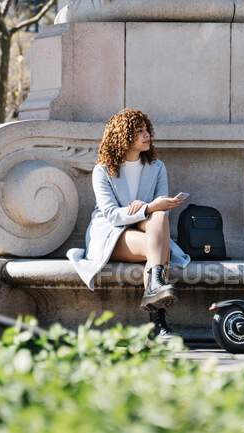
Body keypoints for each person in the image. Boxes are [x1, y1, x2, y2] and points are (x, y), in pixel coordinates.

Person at [67, 108, 191, 338]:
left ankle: (155, 289)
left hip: (147, 227)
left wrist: (150, 208)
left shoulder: (157, 167)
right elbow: (112, 215)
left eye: (147, 130)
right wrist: (148, 207)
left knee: (161, 219)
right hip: (111, 234)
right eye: (139, 131)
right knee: (159, 250)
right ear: (122, 136)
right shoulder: (102, 171)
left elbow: (161, 208)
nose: (147, 135)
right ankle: (158, 325)